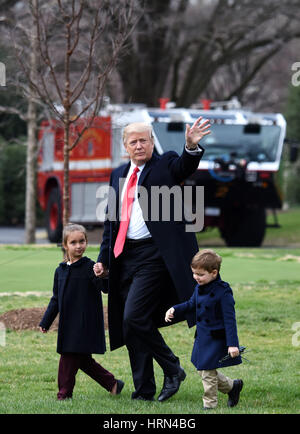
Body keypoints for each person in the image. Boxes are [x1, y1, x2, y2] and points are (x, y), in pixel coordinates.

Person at [94, 117, 210, 402]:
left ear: (151, 142)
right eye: (133, 141)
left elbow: (184, 166)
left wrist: (191, 147)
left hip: (155, 256)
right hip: (124, 256)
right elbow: (112, 221)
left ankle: (172, 368)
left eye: (143, 140)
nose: (138, 145)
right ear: (125, 146)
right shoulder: (118, 174)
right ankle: (144, 390)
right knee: (129, 322)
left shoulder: (164, 165)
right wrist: (103, 259)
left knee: (134, 315)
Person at [39, 223, 124, 400]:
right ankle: (113, 384)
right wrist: (45, 321)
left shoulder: (90, 267)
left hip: (85, 323)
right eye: (73, 242)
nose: (79, 246)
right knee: (83, 360)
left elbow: (105, 288)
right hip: (68, 324)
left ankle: (64, 394)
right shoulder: (60, 271)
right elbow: (55, 299)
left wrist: (103, 275)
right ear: (65, 245)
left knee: (68, 357)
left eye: (82, 241)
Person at [165, 249, 243, 409]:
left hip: (216, 338)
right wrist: (174, 309)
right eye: (194, 273)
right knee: (203, 370)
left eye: (200, 274)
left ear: (214, 273)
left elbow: (230, 320)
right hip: (202, 337)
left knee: (207, 372)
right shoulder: (199, 288)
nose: (196, 277)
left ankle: (209, 404)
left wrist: (232, 344)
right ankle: (232, 386)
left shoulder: (223, 291)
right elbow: (191, 304)